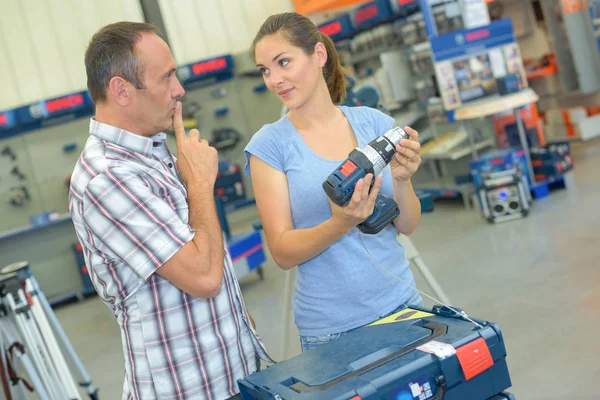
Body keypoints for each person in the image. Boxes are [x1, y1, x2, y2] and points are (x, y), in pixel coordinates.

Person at [69, 22, 271, 400]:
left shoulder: (152, 149)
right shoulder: (107, 177)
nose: (179, 90)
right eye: (166, 78)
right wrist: (198, 183)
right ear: (121, 90)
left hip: (232, 379)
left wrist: (234, 325)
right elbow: (203, 277)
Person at [244, 13, 425, 353]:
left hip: (403, 306)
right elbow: (282, 252)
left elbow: (408, 224)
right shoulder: (269, 146)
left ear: (319, 56)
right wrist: (341, 223)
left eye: (284, 62)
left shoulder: (374, 124)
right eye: (265, 70)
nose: (274, 79)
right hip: (332, 331)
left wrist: (402, 181)